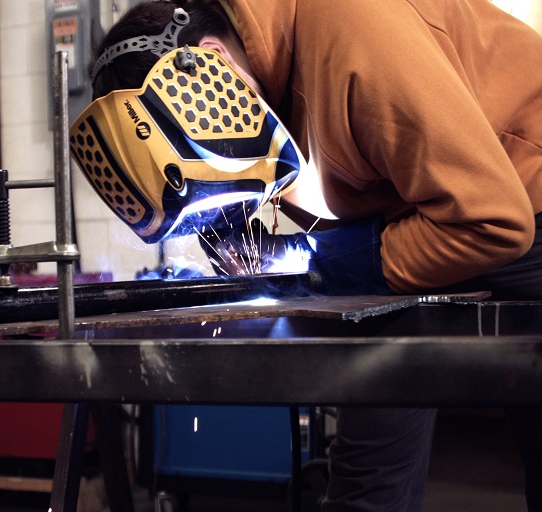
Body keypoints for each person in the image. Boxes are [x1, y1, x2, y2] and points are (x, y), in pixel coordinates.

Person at [82, 0, 542, 510]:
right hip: (431, 220)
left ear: (211, 62)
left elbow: (494, 219)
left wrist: (334, 266)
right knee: (366, 483)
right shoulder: (271, 88)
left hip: (519, 199)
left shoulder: (351, 32)